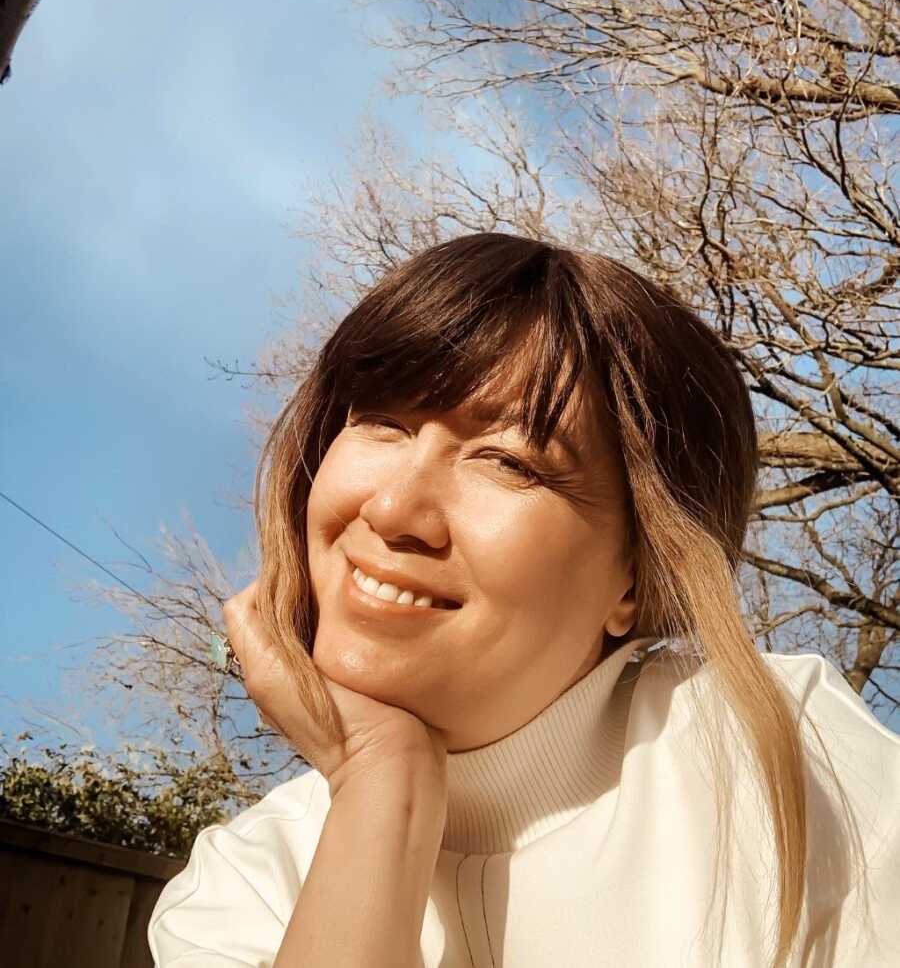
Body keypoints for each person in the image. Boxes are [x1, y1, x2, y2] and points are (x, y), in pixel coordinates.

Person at [147, 232, 899, 968]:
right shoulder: (247, 879)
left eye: (508, 461)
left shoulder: (776, 753)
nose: (393, 510)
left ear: (636, 578)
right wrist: (385, 784)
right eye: (382, 422)